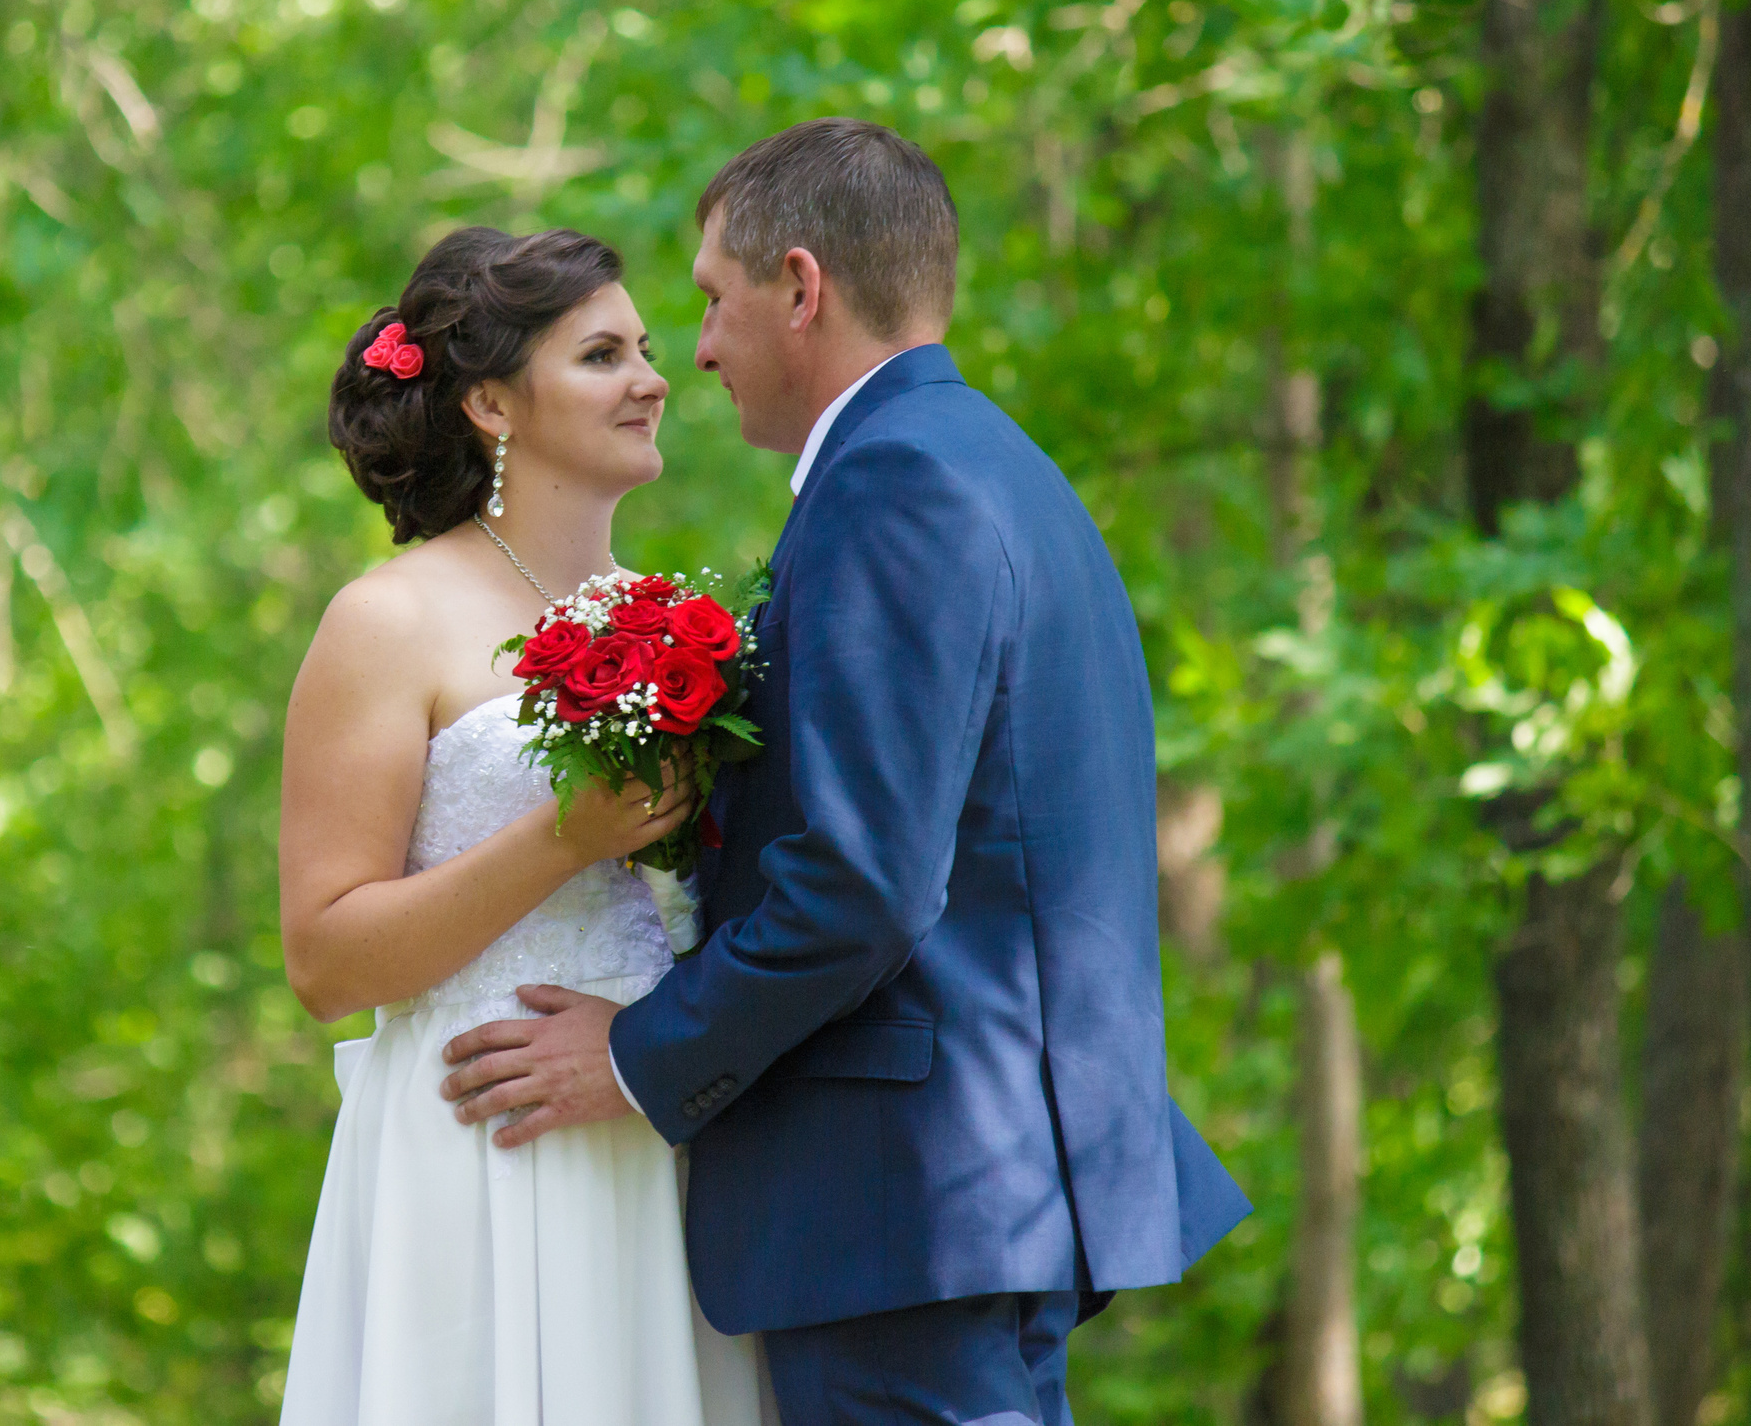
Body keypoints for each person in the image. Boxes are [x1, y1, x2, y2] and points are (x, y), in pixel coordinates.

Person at [437, 120, 1251, 1426]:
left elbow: (865, 880)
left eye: (710, 299)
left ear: (801, 287)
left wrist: (645, 1054)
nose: (694, 349)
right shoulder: (997, 466)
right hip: (967, 1193)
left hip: (906, 1199)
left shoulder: (892, 486)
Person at [274, 226, 772, 1426]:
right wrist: (560, 838)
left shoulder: (661, 620)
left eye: (647, 349)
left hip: (649, 1121)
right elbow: (325, 959)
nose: (655, 378)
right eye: (603, 355)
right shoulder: (386, 620)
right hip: (478, 1137)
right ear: (492, 403)